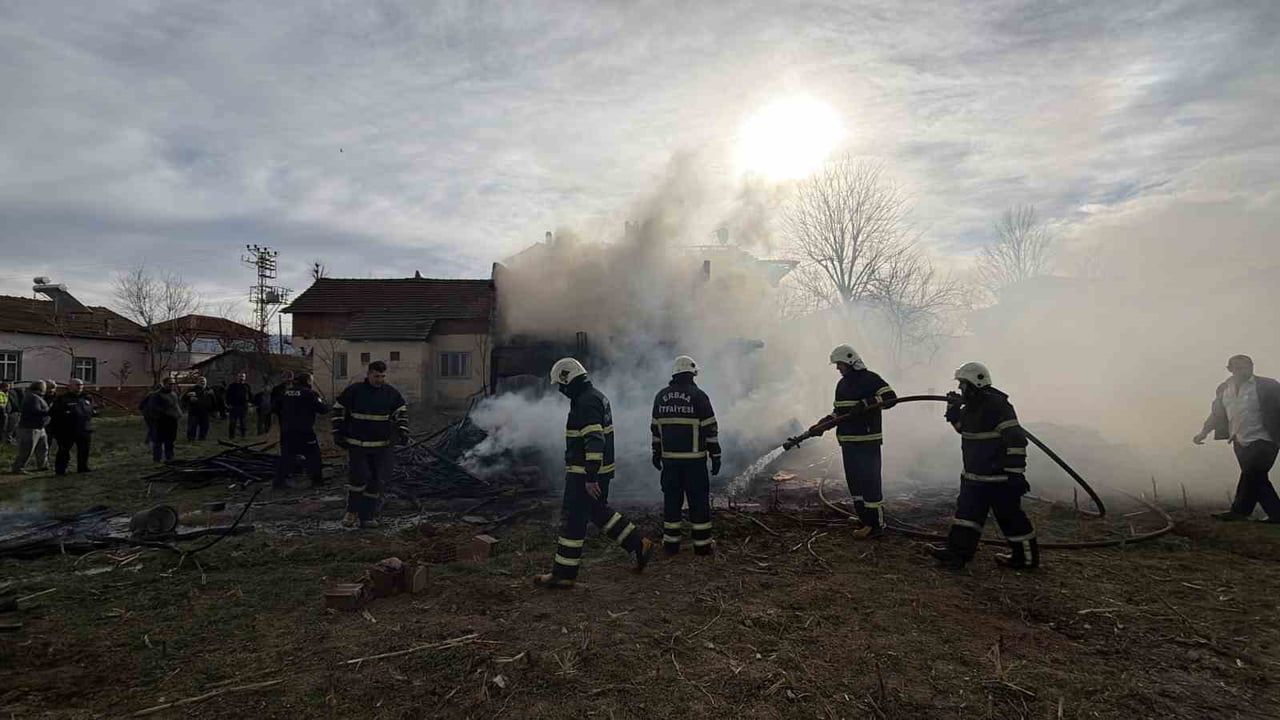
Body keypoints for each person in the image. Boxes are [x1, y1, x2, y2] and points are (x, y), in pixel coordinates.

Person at [533, 358, 655, 589]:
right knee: (598, 513)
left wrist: (590, 477)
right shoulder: (595, 396)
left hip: (584, 476)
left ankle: (563, 574)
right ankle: (639, 545)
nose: (561, 390)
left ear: (570, 379)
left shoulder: (586, 402)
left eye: (561, 384)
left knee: (572, 521)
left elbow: (594, 440)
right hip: (597, 472)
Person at [930, 362, 1038, 572]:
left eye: (963, 384)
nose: (960, 388)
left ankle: (1025, 559)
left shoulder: (997, 405)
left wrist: (1015, 474)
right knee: (965, 519)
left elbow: (1016, 440)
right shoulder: (972, 407)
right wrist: (954, 413)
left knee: (1011, 520)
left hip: (999, 481)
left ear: (975, 382)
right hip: (974, 478)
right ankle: (956, 555)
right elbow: (965, 431)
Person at [802, 345, 898, 539]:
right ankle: (864, 519)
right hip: (848, 442)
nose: (838, 368)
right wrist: (823, 424)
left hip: (867, 441)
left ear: (851, 361)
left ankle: (876, 526)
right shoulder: (842, 385)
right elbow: (839, 412)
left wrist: (866, 404)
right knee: (855, 483)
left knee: (870, 483)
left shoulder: (871, 379)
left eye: (840, 364)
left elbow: (891, 398)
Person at [1195, 354, 1280, 523]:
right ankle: (1241, 511)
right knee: (1253, 476)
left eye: (1247, 367)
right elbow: (1217, 414)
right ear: (1230, 369)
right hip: (1239, 439)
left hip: (1265, 438)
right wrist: (1204, 432)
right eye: (1239, 368)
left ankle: (1275, 513)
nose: (1244, 371)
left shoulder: (1269, 386)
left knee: (1253, 473)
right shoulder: (1224, 388)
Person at [650, 355, 722, 556]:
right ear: (691, 374)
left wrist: (656, 453)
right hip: (694, 463)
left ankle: (671, 545)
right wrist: (715, 455)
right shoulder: (699, 396)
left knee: (671, 502)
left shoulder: (660, 396)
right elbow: (710, 429)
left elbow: (655, 429)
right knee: (698, 502)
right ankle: (702, 546)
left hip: (670, 463)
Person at [331, 362, 407, 528]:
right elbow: (338, 409)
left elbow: (401, 411)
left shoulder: (390, 393)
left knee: (375, 481)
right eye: (376, 376)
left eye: (382, 376)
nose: (380, 379)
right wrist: (337, 432)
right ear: (369, 374)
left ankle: (367, 517)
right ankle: (351, 512)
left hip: (381, 446)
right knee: (358, 479)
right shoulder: (355, 390)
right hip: (357, 444)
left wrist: (402, 430)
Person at [274, 373, 329, 489]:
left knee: (287, 455)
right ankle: (317, 481)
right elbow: (323, 409)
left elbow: (275, 407)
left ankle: (279, 482)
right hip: (304, 431)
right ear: (308, 381)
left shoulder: (286, 392)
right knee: (313, 455)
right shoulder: (309, 394)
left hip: (287, 430)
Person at [49, 378, 96, 475]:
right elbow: (55, 413)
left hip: (84, 429)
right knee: (64, 451)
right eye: (77, 385)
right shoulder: (62, 399)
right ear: (70, 386)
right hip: (68, 430)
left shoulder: (86, 398)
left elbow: (91, 410)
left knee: (84, 450)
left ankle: (83, 467)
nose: (80, 387)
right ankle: (61, 469)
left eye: (81, 385)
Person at [10, 380, 50, 474]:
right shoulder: (32, 398)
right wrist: (48, 411)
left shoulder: (38, 397)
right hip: (30, 427)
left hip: (39, 426)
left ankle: (43, 465)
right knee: (27, 449)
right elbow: (35, 411)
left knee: (43, 448)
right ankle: (18, 467)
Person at [143, 377, 183, 463]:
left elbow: (176, 405)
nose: (172, 386)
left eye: (173, 384)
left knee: (170, 440)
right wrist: (164, 414)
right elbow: (153, 408)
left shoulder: (174, 394)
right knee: (159, 441)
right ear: (164, 384)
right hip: (161, 422)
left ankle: (169, 457)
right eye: (170, 384)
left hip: (172, 421)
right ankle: (157, 459)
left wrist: (178, 414)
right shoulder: (156, 395)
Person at [181, 377, 216, 441]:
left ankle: (202, 438)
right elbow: (183, 399)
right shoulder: (192, 389)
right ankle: (191, 438)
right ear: (197, 382)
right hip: (194, 411)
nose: (202, 382)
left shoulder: (209, 390)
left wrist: (213, 410)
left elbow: (214, 401)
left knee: (205, 426)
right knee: (192, 425)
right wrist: (189, 398)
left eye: (204, 381)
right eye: (201, 381)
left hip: (205, 412)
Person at [225, 373, 252, 439]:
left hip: (243, 407)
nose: (241, 378)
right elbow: (227, 396)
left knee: (243, 422)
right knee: (233, 422)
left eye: (243, 376)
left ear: (245, 378)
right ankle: (231, 436)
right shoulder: (232, 386)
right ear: (237, 377)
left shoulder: (247, 386)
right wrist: (228, 404)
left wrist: (250, 403)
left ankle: (243, 436)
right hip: (234, 406)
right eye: (240, 376)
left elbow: (250, 395)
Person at [270, 370, 296, 435]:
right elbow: (273, 400)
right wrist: (274, 411)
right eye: (286, 377)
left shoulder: (297, 388)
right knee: (284, 429)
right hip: (282, 412)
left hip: (295, 412)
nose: (288, 379)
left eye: (290, 377)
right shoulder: (277, 389)